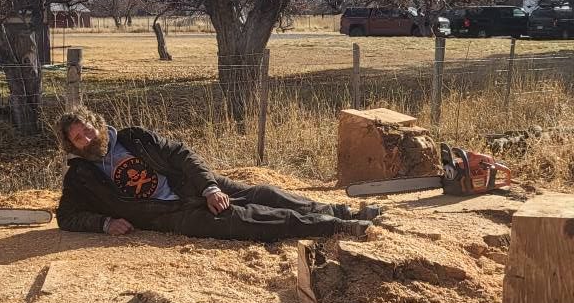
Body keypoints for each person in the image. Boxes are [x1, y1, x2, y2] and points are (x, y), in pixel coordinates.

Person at [55, 107, 381, 242]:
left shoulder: (135, 138)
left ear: (97, 124)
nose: (87, 138)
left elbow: (182, 155)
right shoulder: (81, 177)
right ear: (72, 146)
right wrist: (104, 223)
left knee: (262, 193)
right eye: (79, 137)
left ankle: (341, 210)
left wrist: (209, 187)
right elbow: (66, 217)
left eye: (88, 129)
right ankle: (336, 226)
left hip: (192, 185)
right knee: (247, 218)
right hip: (169, 215)